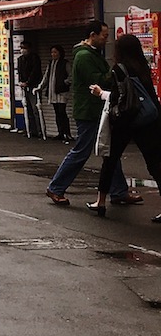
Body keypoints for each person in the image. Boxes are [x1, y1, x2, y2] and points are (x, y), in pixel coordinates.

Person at [46, 20, 139, 207]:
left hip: (97, 109)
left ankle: (119, 191)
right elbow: (98, 80)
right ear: (93, 35)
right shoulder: (85, 57)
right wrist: (116, 72)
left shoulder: (91, 54)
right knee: (83, 150)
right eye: (104, 36)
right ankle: (56, 187)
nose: (106, 39)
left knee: (110, 150)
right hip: (89, 110)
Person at [85, 33, 161, 219]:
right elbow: (149, 94)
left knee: (110, 160)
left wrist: (101, 93)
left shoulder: (118, 69)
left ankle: (100, 201)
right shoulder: (142, 67)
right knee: (155, 164)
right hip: (147, 120)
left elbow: (119, 98)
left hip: (126, 121)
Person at [38, 44, 72, 142]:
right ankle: (60, 132)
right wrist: (40, 87)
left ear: (60, 53)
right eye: (52, 52)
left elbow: (71, 76)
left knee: (62, 112)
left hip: (61, 92)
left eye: (55, 52)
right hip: (53, 91)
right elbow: (46, 77)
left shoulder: (65, 63)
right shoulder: (50, 63)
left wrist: (65, 82)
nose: (53, 54)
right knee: (57, 112)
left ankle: (67, 133)